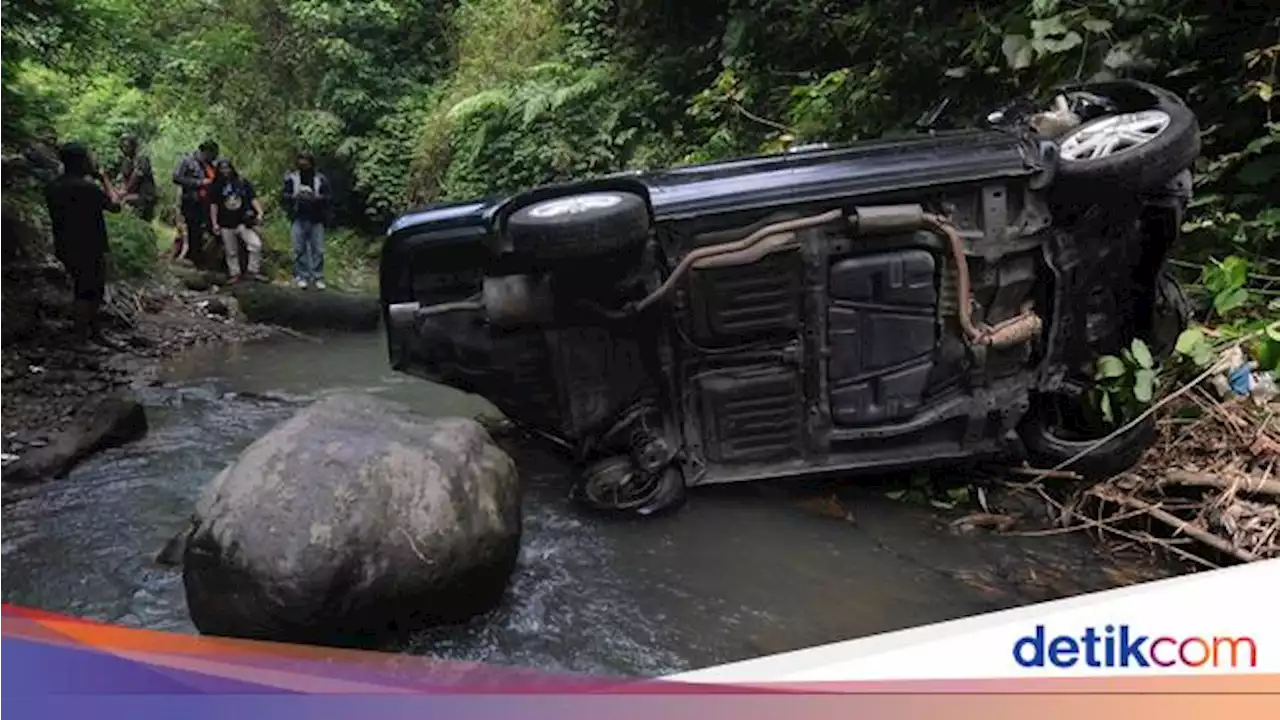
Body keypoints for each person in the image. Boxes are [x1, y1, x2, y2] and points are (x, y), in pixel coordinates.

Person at [44, 142, 123, 341]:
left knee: (82, 287)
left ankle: (91, 333)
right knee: (90, 291)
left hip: (64, 244)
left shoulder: (53, 186)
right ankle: (84, 336)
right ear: (80, 162)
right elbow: (115, 205)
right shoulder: (87, 188)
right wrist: (104, 179)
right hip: (90, 245)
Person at [209, 158, 266, 283]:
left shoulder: (242, 182)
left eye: (227, 168)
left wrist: (260, 212)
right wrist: (214, 223)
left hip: (243, 221)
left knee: (255, 244)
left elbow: (252, 198)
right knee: (231, 251)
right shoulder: (215, 186)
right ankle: (235, 273)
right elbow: (214, 205)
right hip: (225, 222)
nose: (225, 171)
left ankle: (253, 271)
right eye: (222, 169)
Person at [282, 151, 330, 290]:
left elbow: (328, 197)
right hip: (298, 217)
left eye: (306, 160)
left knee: (318, 249)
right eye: (300, 160)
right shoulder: (291, 178)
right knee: (298, 248)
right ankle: (301, 276)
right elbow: (284, 196)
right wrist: (296, 197)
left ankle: (318, 276)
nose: (303, 163)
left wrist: (316, 198)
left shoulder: (320, 179)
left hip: (316, 217)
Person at [172, 140, 219, 259]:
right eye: (211, 155)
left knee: (205, 230)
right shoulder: (187, 161)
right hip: (191, 201)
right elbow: (177, 178)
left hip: (208, 203)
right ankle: (190, 256)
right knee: (192, 230)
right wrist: (199, 183)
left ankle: (200, 256)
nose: (212, 158)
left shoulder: (211, 165)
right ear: (204, 152)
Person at [115, 133, 157, 221]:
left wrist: (125, 192)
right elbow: (124, 178)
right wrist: (120, 190)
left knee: (124, 201)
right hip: (133, 194)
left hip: (145, 196)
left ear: (133, 146)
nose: (124, 149)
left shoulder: (142, 159)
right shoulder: (126, 161)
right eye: (122, 146)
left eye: (127, 146)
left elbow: (137, 176)